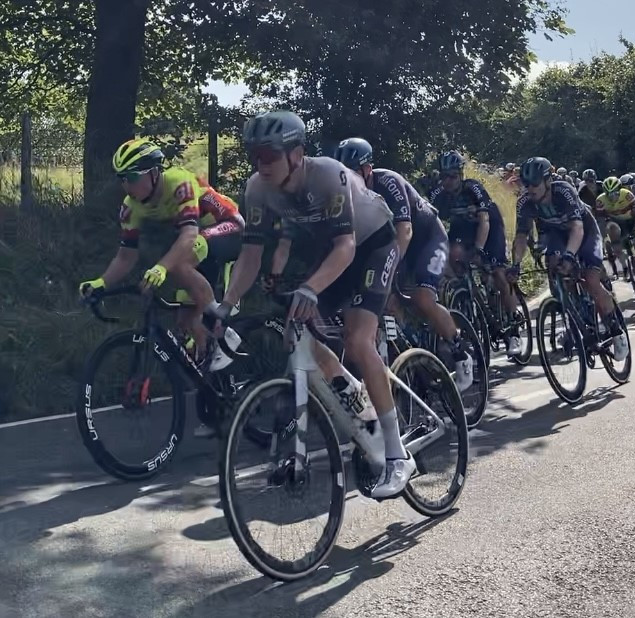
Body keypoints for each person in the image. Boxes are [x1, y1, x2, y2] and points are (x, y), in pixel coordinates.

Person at [216, 110, 414, 498]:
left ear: (297, 152)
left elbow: (347, 246)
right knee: (300, 334)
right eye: (254, 155)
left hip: (372, 244)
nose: (261, 164)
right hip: (330, 255)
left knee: (359, 340)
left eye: (270, 154)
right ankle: (362, 407)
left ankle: (396, 453)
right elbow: (251, 254)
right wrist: (226, 305)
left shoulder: (328, 173)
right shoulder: (257, 188)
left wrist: (310, 288)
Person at [79, 138, 244, 370]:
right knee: (186, 323)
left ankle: (223, 328)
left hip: (228, 226)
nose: (127, 185)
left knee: (177, 263)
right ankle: (211, 384)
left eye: (133, 177)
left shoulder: (178, 182)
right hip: (199, 243)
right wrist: (101, 283)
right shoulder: (130, 207)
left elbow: (188, 235)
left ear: (154, 173)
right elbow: (126, 256)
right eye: (122, 179)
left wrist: (161, 267)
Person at [332, 137, 473, 390]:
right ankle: (413, 358)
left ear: (367, 169)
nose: (348, 179)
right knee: (385, 303)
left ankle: (460, 350)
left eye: (353, 172)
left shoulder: (388, 181)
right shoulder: (344, 196)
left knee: (422, 298)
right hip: (391, 247)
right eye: (343, 174)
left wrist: (388, 272)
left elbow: (405, 231)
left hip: (426, 238)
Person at [509, 158, 628, 360]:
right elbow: (521, 237)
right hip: (558, 235)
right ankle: (574, 319)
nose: (530, 188)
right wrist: (516, 264)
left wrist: (570, 255)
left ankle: (616, 331)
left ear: (547, 181)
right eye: (526, 184)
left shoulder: (563, 191)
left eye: (535, 183)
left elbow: (577, 227)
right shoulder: (525, 203)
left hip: (585, 230)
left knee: (590, 279)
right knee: (555, 268)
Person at [430, 150, 521, 356]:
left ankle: (513, 327)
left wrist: (479, 250)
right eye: (444, 176)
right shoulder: (438, 195)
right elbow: (431, 225)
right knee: (453, 256)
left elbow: (485, 221)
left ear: (460, 175)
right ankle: (468, 302)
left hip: (489, 228)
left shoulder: (473, 188)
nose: (448, 181)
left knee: (497, 273)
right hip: (463, 231)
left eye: (452, 176)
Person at [596, 176, 635, 300]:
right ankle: (625, 264)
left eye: (615, 193)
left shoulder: (627, 195)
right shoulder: (600, 200)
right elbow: (601, 222)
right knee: (611, 229)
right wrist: (603, 238)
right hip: (616, 224)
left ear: (619, 190)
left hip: (632, 222)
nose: (612, 196)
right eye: (609, 194)